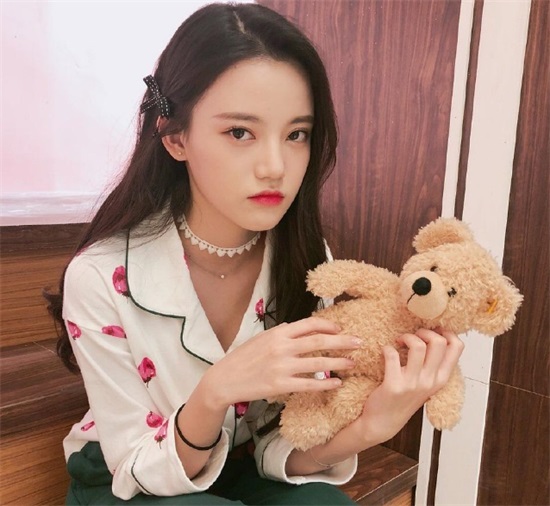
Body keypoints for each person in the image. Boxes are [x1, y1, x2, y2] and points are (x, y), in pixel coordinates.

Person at [46, 3, 464, 505]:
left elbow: (278, 441)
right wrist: (215, 391)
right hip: (132, 475)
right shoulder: (100, 275)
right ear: (174, 136)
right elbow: (138, 466)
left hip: (238, 462)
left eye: (296, 134)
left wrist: (371, 426)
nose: (275, 166)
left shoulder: (306, 257)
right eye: (240, 132)